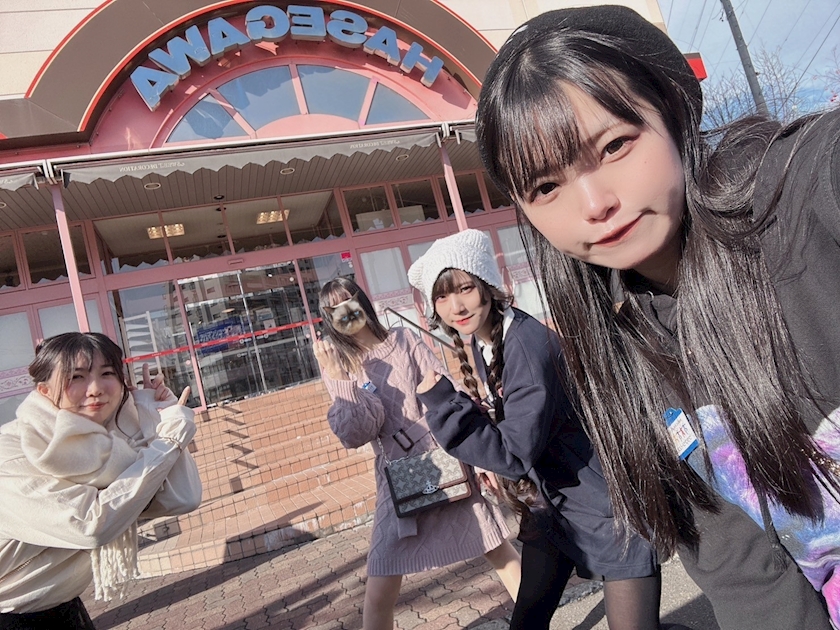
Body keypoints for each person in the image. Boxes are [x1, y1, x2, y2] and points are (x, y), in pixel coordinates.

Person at [473, 4, 840, 629]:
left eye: (615, 145)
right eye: (546, 187)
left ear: (671, 109)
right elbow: (746, 576)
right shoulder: (619, 353)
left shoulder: (797, 199)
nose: (594, 204)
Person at [408, 229, 662, 630]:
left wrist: (443, 403)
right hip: (553, 506)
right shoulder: (490, 339)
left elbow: (511, 453)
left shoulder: (525, 346)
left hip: (605, 509)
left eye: (465, 288)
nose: (456, 306)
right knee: (527, 622)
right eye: (442, 297)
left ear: (487, 285)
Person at [312, 277, 521, 630]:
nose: (344, 312)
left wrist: (478, 457)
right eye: (333, 309)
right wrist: (338, 377)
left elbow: (445, 394)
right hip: (397, 479)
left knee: (498, 549)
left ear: (362, 301)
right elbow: (356, 433)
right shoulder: (342, 365)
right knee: (379, 586)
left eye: (348, 301)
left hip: (443, 460)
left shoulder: (403, 339)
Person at [0, 332, 201, 629]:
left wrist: (149, 414)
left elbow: (181, 497)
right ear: (44, 390)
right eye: (76, 377)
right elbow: (91, 524)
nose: (95, 389)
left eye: (107, 373)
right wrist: (168, 441)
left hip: (63, 609)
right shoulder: (11, 454)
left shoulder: (107, 448)